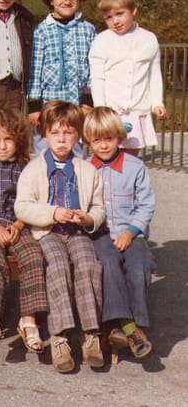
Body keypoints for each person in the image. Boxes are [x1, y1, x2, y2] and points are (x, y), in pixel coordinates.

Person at [15, 100, 105, 373]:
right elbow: (22, 207)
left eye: (68, 133)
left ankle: (91, 333)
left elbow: (99, 207)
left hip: (77, 232)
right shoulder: (34, 169)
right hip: (48, 233)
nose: (62, 139)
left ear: (78, 135)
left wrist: (88, 219)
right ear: (44, 134)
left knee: (88, 264)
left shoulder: (87, 170)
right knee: (57, 266)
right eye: (55, 133)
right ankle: (60, 336)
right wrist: (53, 213)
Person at [0, 109, 47, 352]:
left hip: (18, 223)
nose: (2, 146)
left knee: (33, 255)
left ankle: (29, 319)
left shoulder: (27, 167)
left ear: (19, 140)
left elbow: (33, 199)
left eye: (8, 139)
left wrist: (19, 224)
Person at [83, 106, 155, 359]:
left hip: (131, 232)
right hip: (99, 233)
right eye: (97, 140)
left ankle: (129, 324)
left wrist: (131, 231)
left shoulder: (135, 167)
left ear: (119, 137)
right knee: (109, 263)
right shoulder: (85, 169)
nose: (104, 145)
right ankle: (130, 329)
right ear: (88, 141)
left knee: (139, 265)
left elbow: (146, 205)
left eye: (109, 138)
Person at [89, 0, 167, 156]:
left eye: (119, 14)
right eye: (108, 17)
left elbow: (154, 74)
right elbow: (97, 78)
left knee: (131, 159)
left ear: (133, 10)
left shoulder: (149, 39)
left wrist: (157, 102)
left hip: (138, 111)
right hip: (111, 112)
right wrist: (101, 109)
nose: (115, 21)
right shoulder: (101, 41)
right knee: (107, 156)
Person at [27, 0, 96, 155]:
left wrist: (88, 99)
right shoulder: (41, 31)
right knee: (45, 153)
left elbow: (93, 68)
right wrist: (34, 106)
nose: (67, 1)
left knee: (76, 153)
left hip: (77, 107)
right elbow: (35, 69)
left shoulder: (88, 30)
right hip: (49, 107)